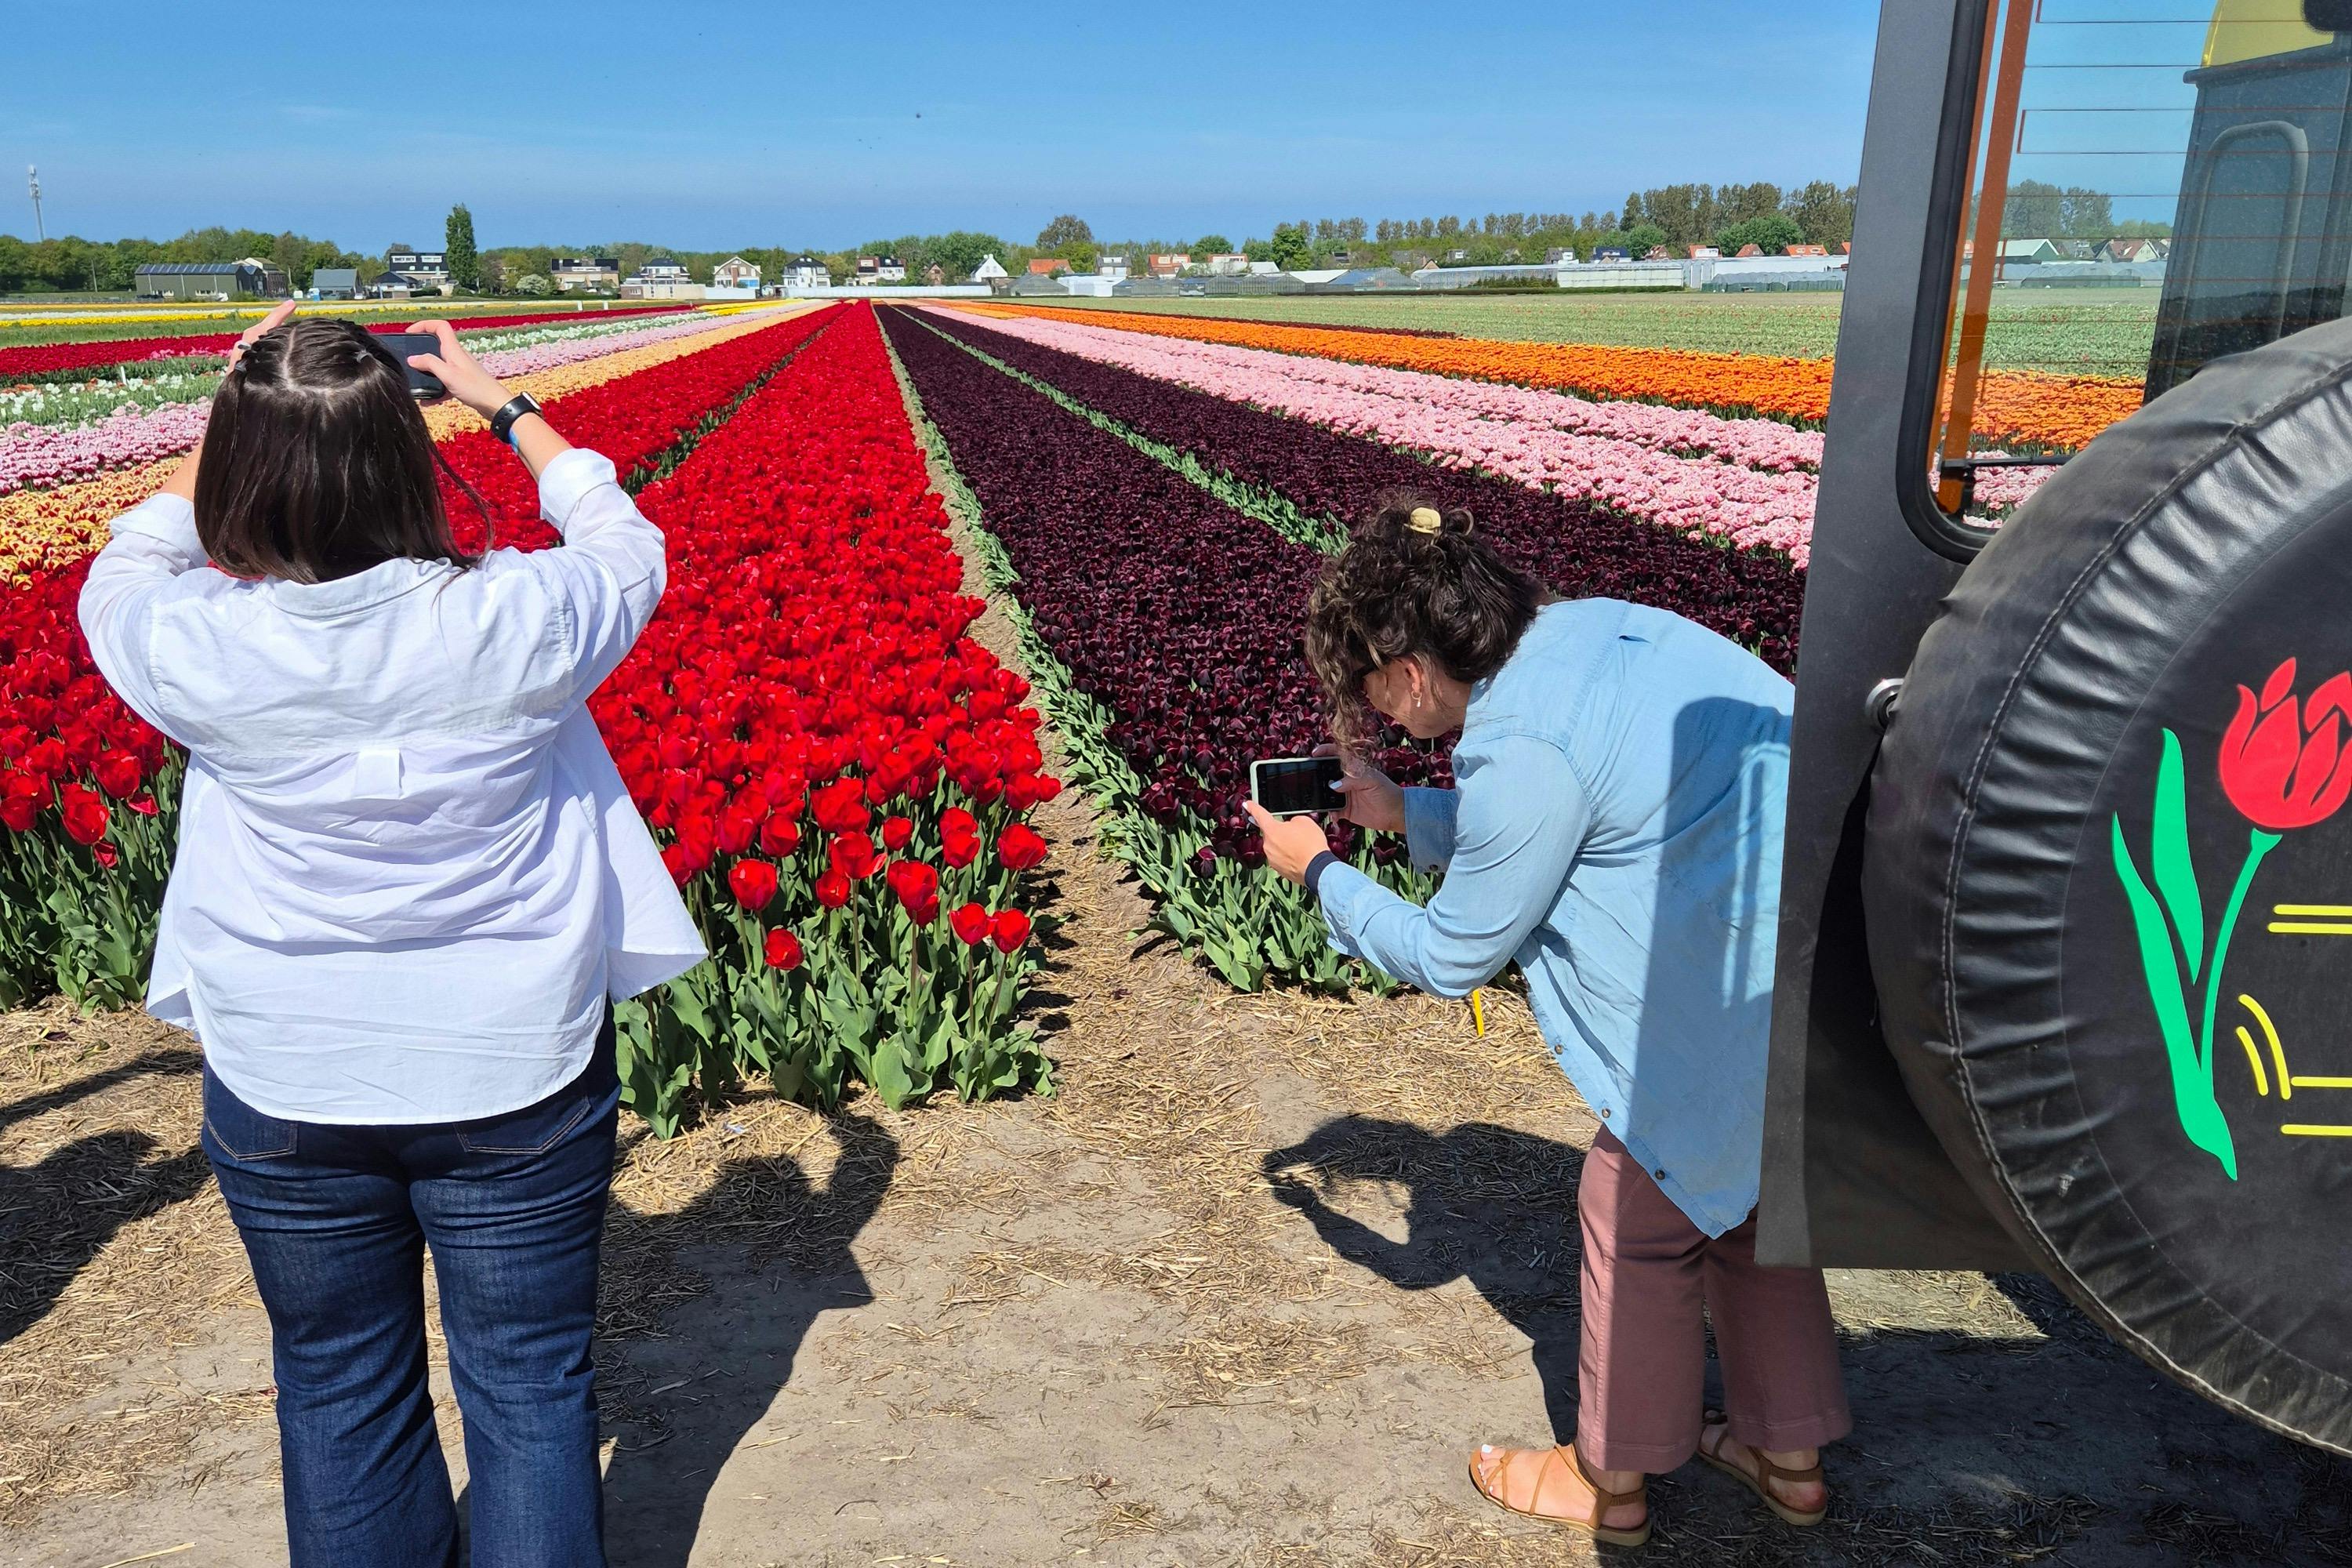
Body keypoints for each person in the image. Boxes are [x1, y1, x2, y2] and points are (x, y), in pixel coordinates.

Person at [78, 302, 706, 1568]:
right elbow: (620, 532)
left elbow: (125, 560)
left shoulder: (193, 643)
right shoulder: (518, 618)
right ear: (403, 459)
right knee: (530, 1393)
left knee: (335, 1385)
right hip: (511, 1063)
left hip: (288, 1070)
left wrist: (244, 410)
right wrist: (499, 402)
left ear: (248, 467)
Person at [1246, 499, 1849, 1548]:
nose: (1377, 715)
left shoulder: (1517, 741)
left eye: (1370, 688)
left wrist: (1325, 874)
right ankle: (1786, 1452)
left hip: (1730, 968)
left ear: (1413, 667)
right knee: (1754, 1196)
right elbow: (1585, 815)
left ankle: (1607, 1485)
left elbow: (1451, 955)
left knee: (1635, 1207)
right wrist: (1405, 814)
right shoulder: (1581, 630)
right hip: (1813, 933)